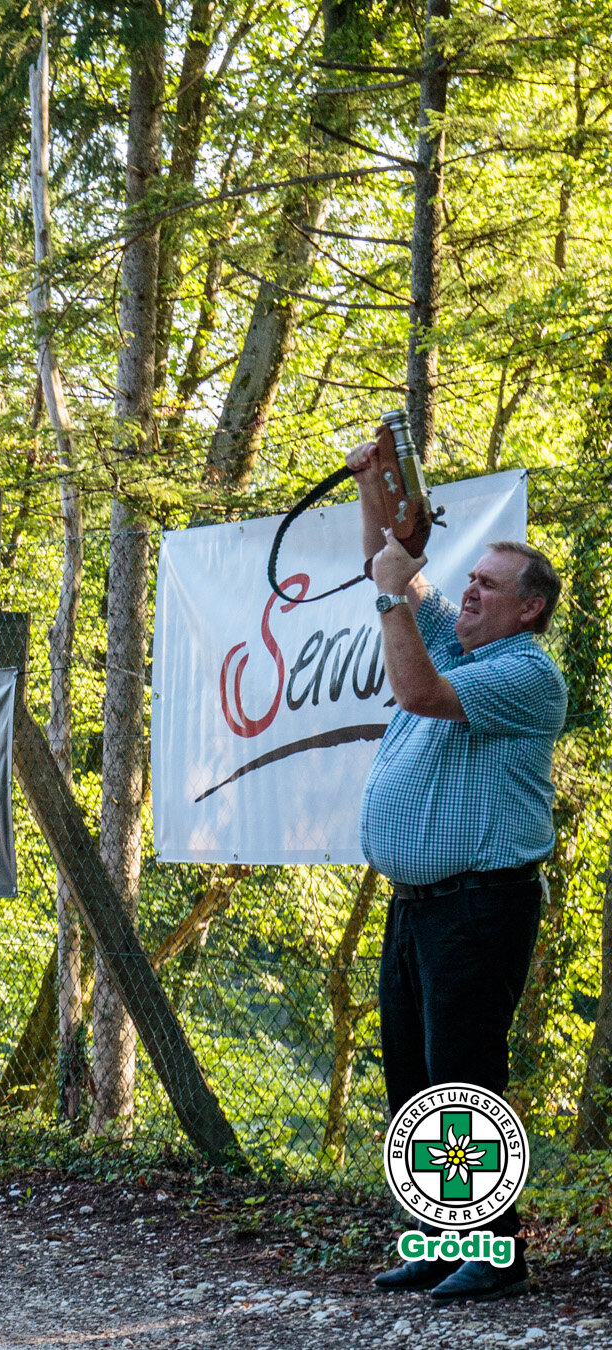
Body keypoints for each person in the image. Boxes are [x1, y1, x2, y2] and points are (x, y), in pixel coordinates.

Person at [352, 450, 568, 1305]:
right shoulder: (464, 649)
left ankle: (498, 1255)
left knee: (464, 1081)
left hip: (482, 906)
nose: (468, 590)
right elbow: (393, 575)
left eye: (488, 583)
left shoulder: (526, 675)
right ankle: (440, 1246)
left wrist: (387, 594)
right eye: (468, 578)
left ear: (531, 607)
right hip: (422, 909)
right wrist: (375, 484)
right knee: (413, 1077)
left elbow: (415, 690)